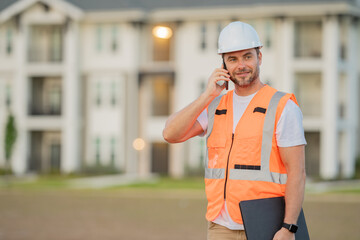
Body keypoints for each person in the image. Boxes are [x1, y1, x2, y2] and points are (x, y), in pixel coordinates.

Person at [163, 21, 306, 240]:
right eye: (233, 59)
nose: (241, 65)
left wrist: (289, 227)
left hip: (266, 225)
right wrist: (207, 95)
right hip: (220, 227)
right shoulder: (215, 106)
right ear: (224, 65)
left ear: (259, 57)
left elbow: (297, 172)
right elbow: (170, 134)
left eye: (247, 56)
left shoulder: (283, 107)